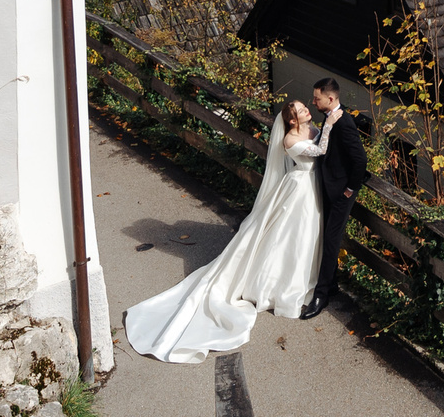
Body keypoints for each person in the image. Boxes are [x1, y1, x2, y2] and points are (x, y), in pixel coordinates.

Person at [122, 97, 326, 363]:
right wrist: (332, 124)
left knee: (304, 238)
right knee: (292, 238)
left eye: (304, 107)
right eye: (300, 110)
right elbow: (319, 152)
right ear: (291, 120)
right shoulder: (289, 140)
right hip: (299, 190)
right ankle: (280, 286)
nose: (306, 111)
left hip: (313, 189)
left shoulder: (313, 129)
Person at [302, 77, 368, 319]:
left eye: (316, 98)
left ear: (330, 99)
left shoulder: (345, 122)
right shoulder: (331, 117)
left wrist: (350, 189)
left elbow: (360, 160)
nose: (313, 102)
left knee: (331, 241)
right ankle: (331, 284)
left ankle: (321, 295)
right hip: (330, 189)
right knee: (326, 238)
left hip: (341, 193)